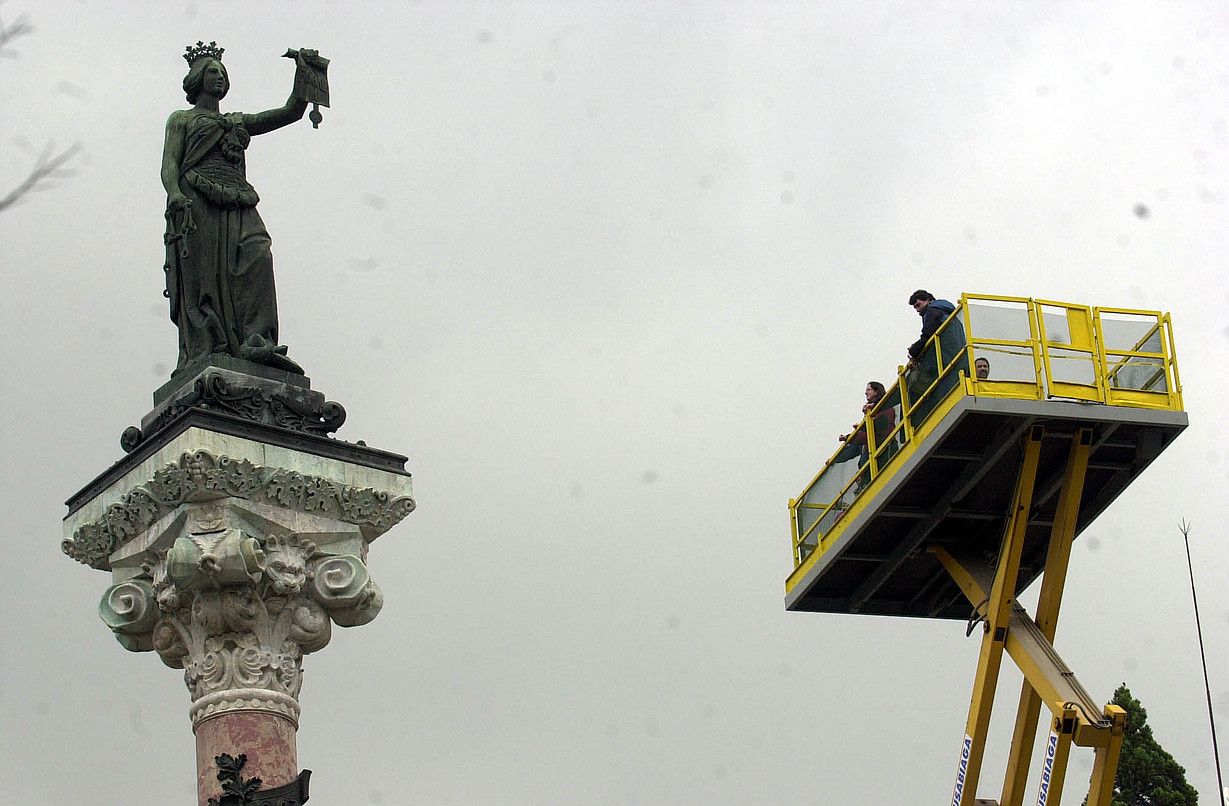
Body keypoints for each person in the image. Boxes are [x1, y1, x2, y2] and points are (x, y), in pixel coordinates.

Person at [162, 42, 319, 376]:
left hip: (237, 199)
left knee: (259, 253)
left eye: (222, 73)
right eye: (212, 72)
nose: (218, 77)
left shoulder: (236, 122)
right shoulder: (181, 120)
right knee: (204, 278)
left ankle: (257, 341)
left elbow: (289, 112)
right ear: (196, 79)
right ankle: (211, 342)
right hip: (197, 201)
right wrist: (175, 194)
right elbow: (169, 165)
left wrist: (303, 73)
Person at [905, 290, 966, 414]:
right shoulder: (946, 311)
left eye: (918, 305)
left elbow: (927, 334)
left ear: (927, 300)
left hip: (946, 355)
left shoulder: (932, 311)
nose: (917, 310)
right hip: (957, 352)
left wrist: (914, 351)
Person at [834, 382, 895, 467]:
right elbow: (862, 439)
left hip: (885, 454)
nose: (866, 392)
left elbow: (874, 432)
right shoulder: (873, 412)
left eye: (868, 390)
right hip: (875, 457)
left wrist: (851, 437)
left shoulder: (886, 407)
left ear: (876, 391)